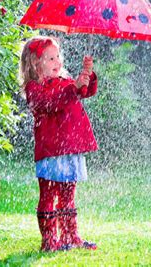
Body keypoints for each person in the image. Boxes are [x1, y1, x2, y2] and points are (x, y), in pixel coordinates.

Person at [19, 35, 99, 252]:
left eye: (58, 57)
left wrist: (86, 77)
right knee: (48, 195)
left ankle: (70, 236)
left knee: (67, 195)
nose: (58, 62)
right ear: (36, 64)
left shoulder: (65, 81)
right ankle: (49, 241)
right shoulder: (35, 88)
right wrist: (73, 87)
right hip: (51, 151)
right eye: (51, 58)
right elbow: (50, 102)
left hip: (71, 149)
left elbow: (84, 92)